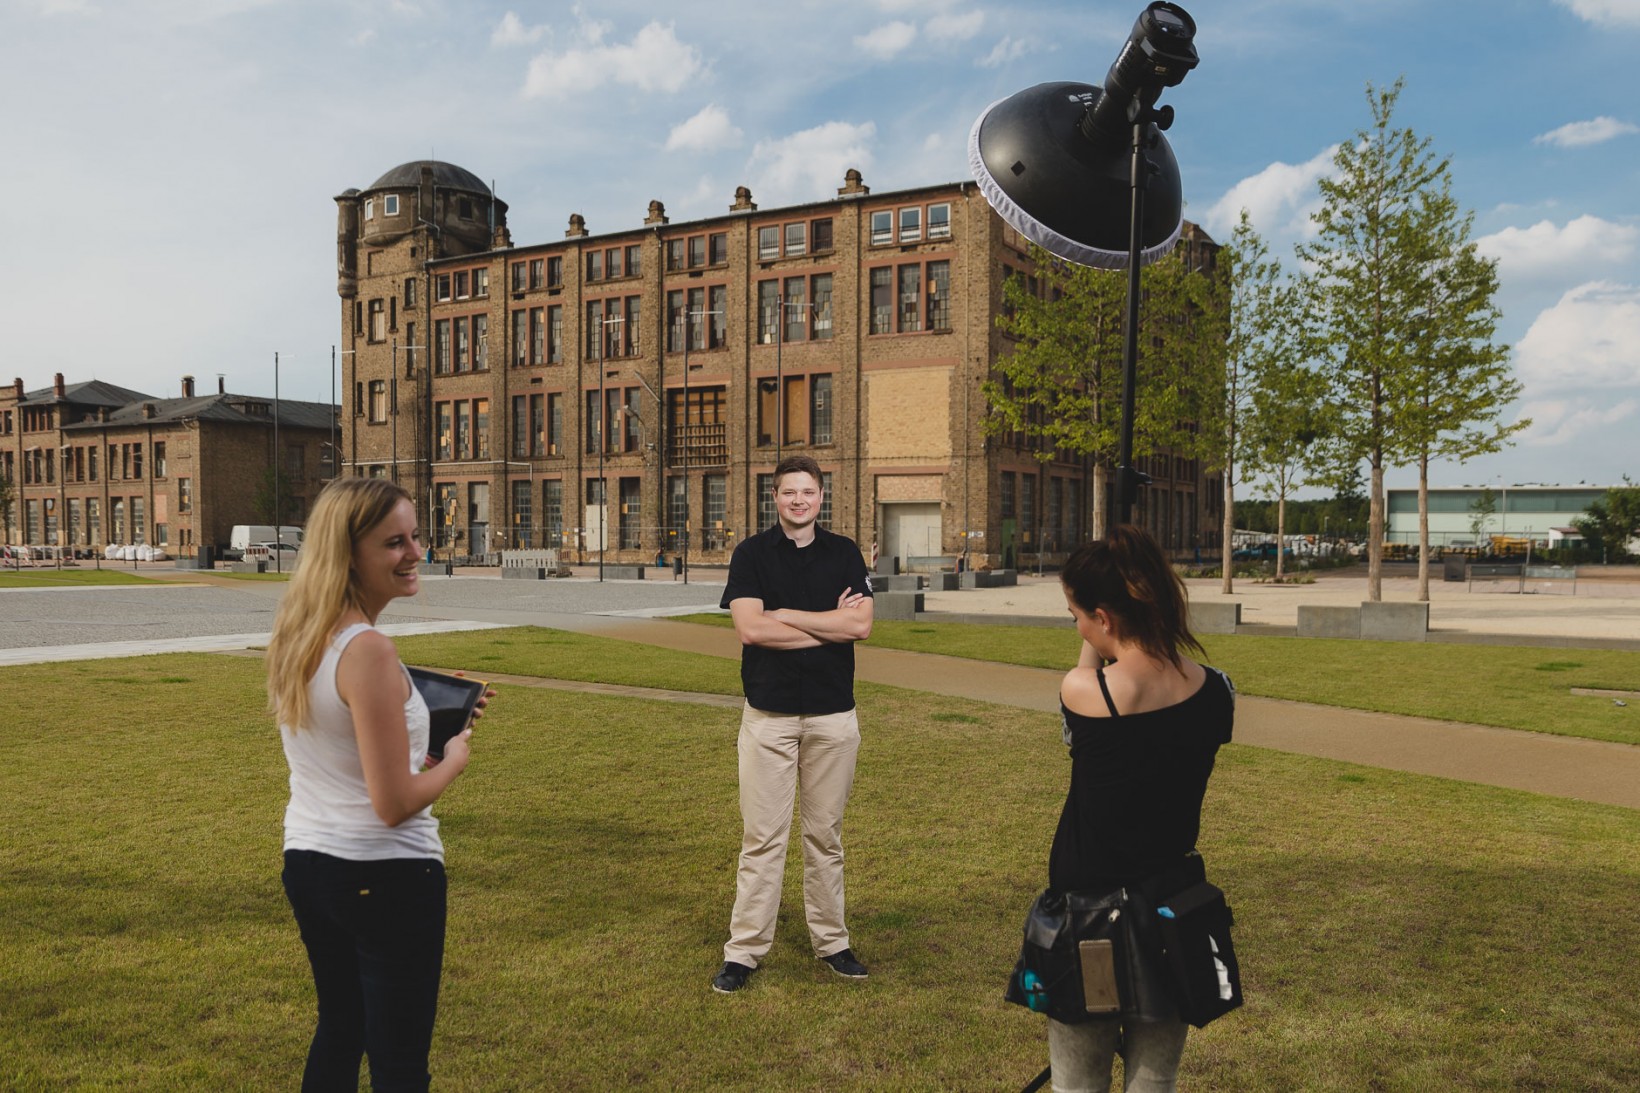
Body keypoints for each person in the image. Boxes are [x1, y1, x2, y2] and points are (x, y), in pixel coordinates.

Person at [266, 477, 488, 1091]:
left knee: (341, 1029)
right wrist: (457, 757)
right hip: (386, 874)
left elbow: (348, 738)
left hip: (311, 863)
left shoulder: (299, 635)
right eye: (394, 542)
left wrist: (435, 724)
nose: (415, 552)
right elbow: (394, 803)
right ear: (349, 553)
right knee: (398, 1061)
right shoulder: (369, 651)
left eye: (415, 536)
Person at [1045, 525, 1234, 1093]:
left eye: (1075, 613)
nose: (1076, 624)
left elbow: (1087, 685)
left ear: (1103, 617)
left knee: (1079, 1081)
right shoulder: (1218, 691)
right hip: (1173, 910)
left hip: (1090, 916)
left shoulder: (1090, 694)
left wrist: (1097, 635)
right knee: (1156, 1081)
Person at [711, 454, 874, 994]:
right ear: (774, 497)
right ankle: (745, 952)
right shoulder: (752, 554)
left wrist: (786, 615)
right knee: (762, 840)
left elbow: (863, 625)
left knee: (825, 838)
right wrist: (831, 626)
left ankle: (833, 942)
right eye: (788, 492)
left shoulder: (845, 553)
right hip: (770, 719)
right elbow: (751, 632)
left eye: (807, 492)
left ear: (820, 497)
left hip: (833, 718)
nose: (798, 500)